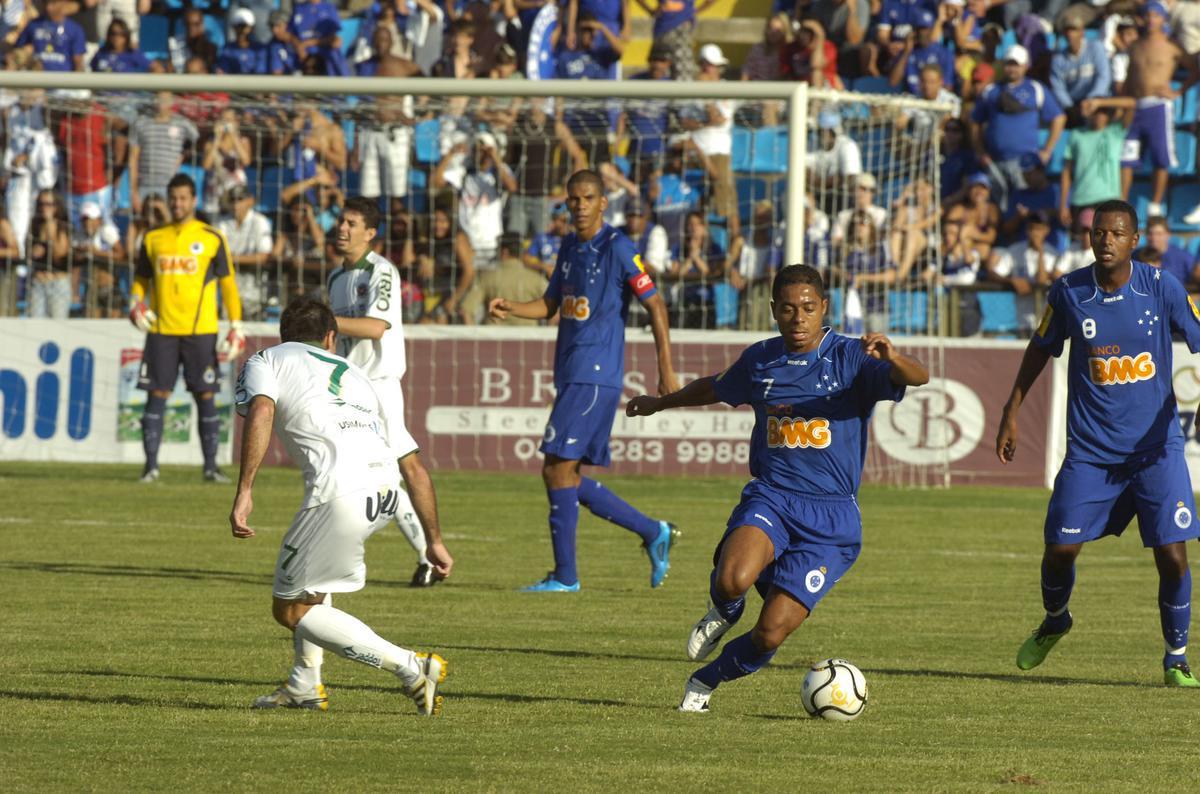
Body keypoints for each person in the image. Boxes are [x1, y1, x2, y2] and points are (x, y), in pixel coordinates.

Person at [623, 264, 928, 712]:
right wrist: (660, 403)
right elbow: (716, 387)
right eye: (787, 309)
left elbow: (917, 376)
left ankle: (705, 681)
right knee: (732, 580)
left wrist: (892, 357)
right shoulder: (761, 359)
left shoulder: (852, 358)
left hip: (832, 519)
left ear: (824, 308)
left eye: (808, 307)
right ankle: (723, 613)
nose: (798, 317)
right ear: (773, 312)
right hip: (774, 496)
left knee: (769, 632)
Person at [995, 199, 1200, 688]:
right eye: (1098, 232)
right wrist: (1011, 409)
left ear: (1134, 241)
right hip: (1090, 452)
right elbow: (1040, 349)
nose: (1105, 240)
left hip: (1156, 451)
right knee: (1059, 550)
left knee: (1173, 554)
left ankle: (1176, 657)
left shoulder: (1161, 287)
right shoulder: (1069, 292)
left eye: (1116, 233)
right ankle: (1056, 619)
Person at [231, 297, 453, 713]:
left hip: (339, 495)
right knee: (315, 586)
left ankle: (411, 667)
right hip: (385, 492)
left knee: (290, 609)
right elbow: (415, 468)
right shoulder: (358, 374)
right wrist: (433, 540)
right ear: (331, 338)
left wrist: (245, 488)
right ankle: (304, 684)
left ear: (284, 334)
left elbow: (261, 410)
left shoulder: (267, 359)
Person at [487, 169, 681, 592]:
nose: (578, 206)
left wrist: (665, 367)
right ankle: (652, 532)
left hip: (596, 375)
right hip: (572, 371)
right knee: (565, 472)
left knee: (556, 468)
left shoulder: (619, 247)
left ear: (603, 202)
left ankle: (566, 577)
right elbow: (551, 304)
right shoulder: (569, 247)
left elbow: (657, 306)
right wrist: (511, 307)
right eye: (573, 199)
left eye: (587, 198)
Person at [326, 196, 440, 587]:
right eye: (341, 220)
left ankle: (431, 551)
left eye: (351, 223)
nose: (342, 228)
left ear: (370, 233)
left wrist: (325, 320)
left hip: (378, 385)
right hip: (350, 387)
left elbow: (375, 327)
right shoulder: (336, 277)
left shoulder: (381, 271)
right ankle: (426, 553)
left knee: (402, 468)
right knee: (365, 476)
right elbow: (336, 336)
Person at [129, 173, 245, 484]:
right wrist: (135, 301)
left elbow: (229, 286)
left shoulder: (211, 237)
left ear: (193, 200)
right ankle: (150, 467)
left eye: (183, 198)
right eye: (174, 198)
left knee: (205, 395)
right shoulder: (153, 238)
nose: (178, 203)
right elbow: (141, 279)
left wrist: (236, 325)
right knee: (157, 393)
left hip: (201, 330)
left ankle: (210, 468)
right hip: (162, 330)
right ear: (168, 200)